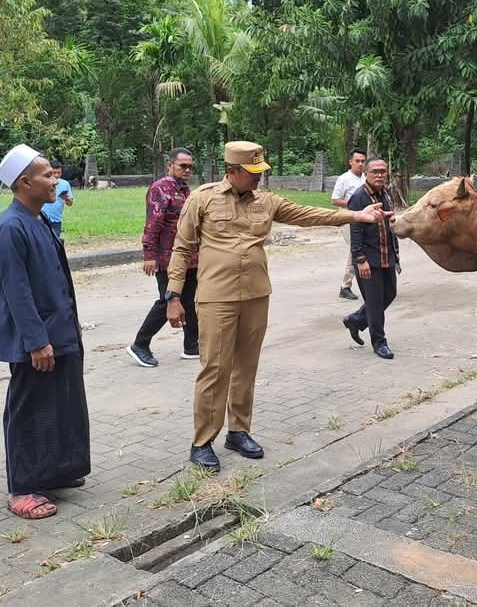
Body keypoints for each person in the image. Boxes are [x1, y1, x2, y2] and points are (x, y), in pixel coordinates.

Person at [166, 141, 390, 471]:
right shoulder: (203, 198)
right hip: (216, 296)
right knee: (215, 369)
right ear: (232, 171)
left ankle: (238, 432)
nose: (259, 177)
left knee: (246, 367)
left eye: (261, 171)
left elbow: (308, 215)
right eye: (252, 172)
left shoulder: (266, 201)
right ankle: (202, 442)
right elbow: (182, 248)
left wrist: (356, 215)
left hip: (256, 295)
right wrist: (173, 296)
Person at [0, 144, 90, 520]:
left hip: (59, 332)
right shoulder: (9, 228)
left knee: (61, 404)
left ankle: (56, 470)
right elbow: (17, 292)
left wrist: (71, 323)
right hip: (35, 341)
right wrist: (36, 340)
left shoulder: (40, 219)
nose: (55, 180)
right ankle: (22, 489)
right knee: (29, 410)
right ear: (25, 182)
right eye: (47, 175)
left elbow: (57, 280)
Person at [128, 148, 200, 367]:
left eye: (190, 167)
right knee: (167, 301)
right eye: (182, 166)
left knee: (190, 300)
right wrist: (149, 254)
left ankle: (191, 345)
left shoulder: (185, 190)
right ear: (170, 165)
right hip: (167, 258)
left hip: (188, 256)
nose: (187, 170)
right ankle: (140, 344)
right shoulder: (161, 188)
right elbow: (153, 223)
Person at [343, 157, 399, 360]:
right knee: (375, 303)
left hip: (386, 255)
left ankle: (357, 319)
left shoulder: (386, 193)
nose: (380, 175)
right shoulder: (359, 197)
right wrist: (360, 259)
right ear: (365, 173)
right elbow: (355, 230)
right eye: (375, 171)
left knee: (390, 293)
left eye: (383, 171)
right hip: (369, 258)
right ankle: (379, 342)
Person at [330, 148, 366, 300]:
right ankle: (345, 286)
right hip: (348, 219)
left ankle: (370, 284)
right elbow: (335, 200)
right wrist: (355, 204)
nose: (360, 164)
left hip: (364, 218)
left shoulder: (366, 177)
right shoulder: (344, 179)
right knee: (355, 250)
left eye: (363, 161)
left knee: (366, 248)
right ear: (350, 162)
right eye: (357, 161)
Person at [40, 159, 74, 239]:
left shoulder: (65, 184)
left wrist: (66, 199)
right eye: (54, 172)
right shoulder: (42, 182)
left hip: (56, 219)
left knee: (55, 242)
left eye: (59, 173)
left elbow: (70, 203)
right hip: (42, 218)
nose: (56, 175)